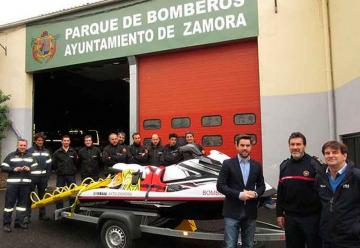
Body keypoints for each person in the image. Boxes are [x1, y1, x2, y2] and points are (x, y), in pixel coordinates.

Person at [217, 135, 265, 248]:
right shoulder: (227, 164)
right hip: (231, 213)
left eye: (247, 145)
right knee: (230, 245)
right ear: (236, 146)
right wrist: (239, 195)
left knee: (248, 245)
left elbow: (261, 186)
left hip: (250, 213)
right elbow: (220, 186)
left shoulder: (257, 166)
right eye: (242, 145)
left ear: (251, 147)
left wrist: (256, 193)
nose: (245, 148)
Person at [276, 132, 322, 248]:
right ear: (289, 146)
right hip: (291, 218)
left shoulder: (314, 164)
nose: (295, 147)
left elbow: (322, 192)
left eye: (298, 144)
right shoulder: (284, 166)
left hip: (311, 218)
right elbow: (281, 192)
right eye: (292, 144)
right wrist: (279, 213)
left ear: (304, 146)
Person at [316, 140, 360, 248]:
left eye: (335, 152)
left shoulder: (356, 176)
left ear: (344, 155)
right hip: (327, 238)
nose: (330, 155)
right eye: (327, 153)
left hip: (352, 239)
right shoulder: (320, 178)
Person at [1, 139, 37, 232]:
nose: (22, 147)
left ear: (26, 146)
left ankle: (19, 222)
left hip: (25, 185)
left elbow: (35, 165)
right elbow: (3, 167)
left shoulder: (30, 156)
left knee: (22, 205)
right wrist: (14, 169)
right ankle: (7, 224)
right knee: (9, 205)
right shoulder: (11, 155)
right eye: (21, 145)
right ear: (17, 145)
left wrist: (29, 168)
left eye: (24, 145)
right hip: (13, 184)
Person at [27, 132, 52, 222]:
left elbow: (49, 165)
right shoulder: (30, 151)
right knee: (29, 196)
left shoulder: (46, 151)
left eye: (41, 140)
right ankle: (27, 216)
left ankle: (42, 215)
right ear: (35, 141)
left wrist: (47, 176)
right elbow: (27, 163)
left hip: (43, 178)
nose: (40, 142)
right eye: (38, 140)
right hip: (32, 177)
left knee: (42, 196)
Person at [52, 135, 78, 209]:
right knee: (60, 193)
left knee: (73, 193)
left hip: (71, 176)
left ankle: (72, 208)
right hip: (61, 176)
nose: (66, 142)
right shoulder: (57, 152)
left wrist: (73, 170)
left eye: (67, 140)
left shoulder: (73, 152)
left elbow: (76, 163)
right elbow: (54, 164)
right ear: (62, 141)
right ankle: (59, 210)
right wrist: (58, 171)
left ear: (69, 142)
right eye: (65, 140)